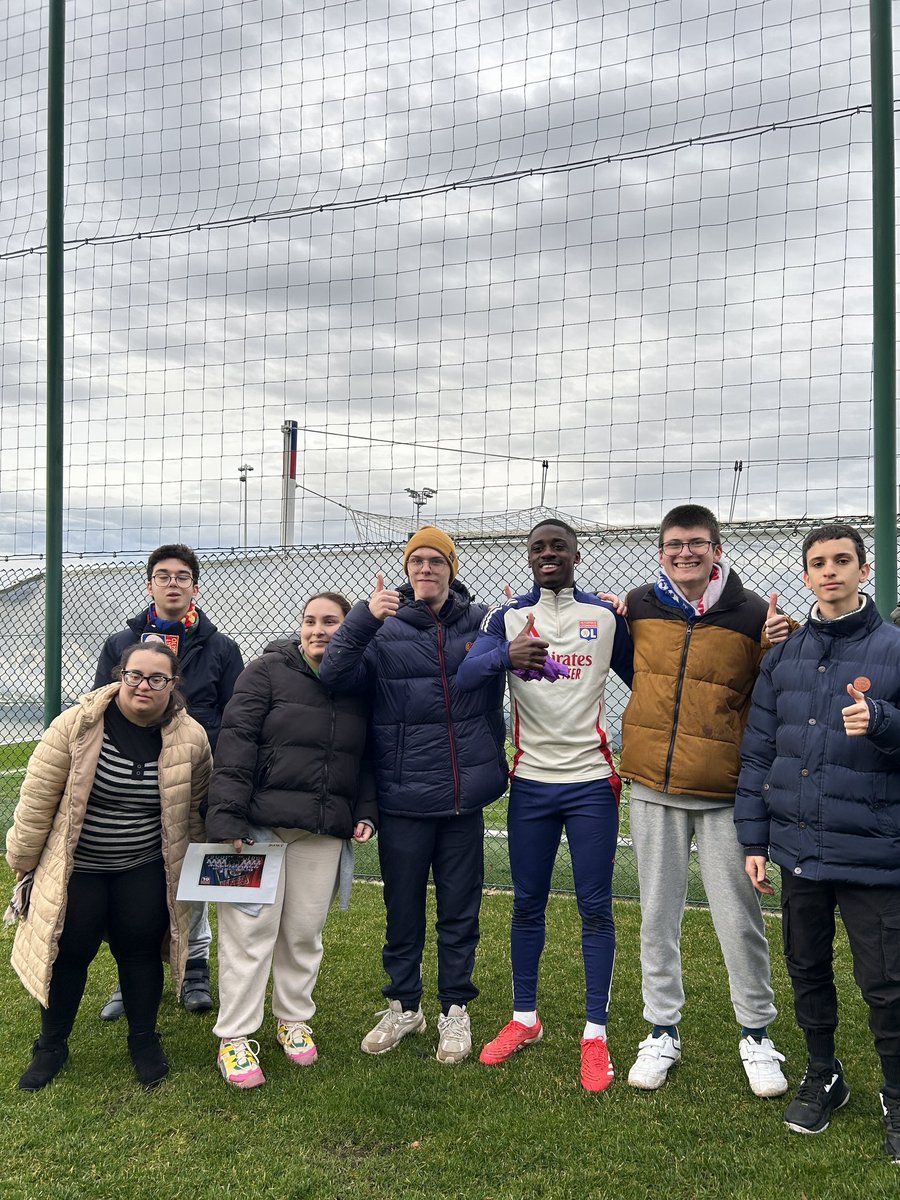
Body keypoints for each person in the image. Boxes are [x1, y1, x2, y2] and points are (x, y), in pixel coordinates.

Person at [735, 522, 900, 1161]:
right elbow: (758, 755)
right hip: (799, 848)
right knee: (806, 966)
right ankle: (824, 1072)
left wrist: (885, 723)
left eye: (841, 560)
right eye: (818, 563)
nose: (829, 572)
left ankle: (895, 1091)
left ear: (863, 570)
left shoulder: (892, 649)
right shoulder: (784, 656)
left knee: (885, 981)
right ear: (805, 576)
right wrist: (755, 838)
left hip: (873, 852)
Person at [455, 520, 633, 1092]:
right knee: (527, 903)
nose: (548, 554)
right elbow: (465, 675)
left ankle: (595, 1034)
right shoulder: (504, 619)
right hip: (530, 783)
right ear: (528, 558)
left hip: (590, 784)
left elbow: (648, 677)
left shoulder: (604, 618)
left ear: (576, 554)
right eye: (538, 548)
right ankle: (525, 1019)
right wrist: (506, 655)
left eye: (558, 545)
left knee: (594, 907)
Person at [619, 503, 789, 1098]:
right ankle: (661, 1029)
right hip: (653, 789)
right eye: (673, 544)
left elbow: (768, 691)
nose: (684, 552)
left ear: (717, 549)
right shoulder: (637, 606)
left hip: (725, 793)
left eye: (696, 543)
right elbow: (631, 671)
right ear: (660, 551)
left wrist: (774, 643)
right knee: (656, 916)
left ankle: (757, 1034)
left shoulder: (755, 614)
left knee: (738, 920)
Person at [320, 527, 507, 1064]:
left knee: (459, 911)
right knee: (401, 911)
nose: (425, 569)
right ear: (405, 569)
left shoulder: (482, 622)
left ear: (451, 568)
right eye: (416, 561)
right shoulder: (382, 625)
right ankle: (405, 1006)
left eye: (435, 561)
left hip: (460, 797)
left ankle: (454, 1009)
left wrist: (610, 607)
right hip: (403, 796)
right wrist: (360, 617)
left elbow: (537, 633)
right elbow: (334, 674)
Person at [6, 643, 211, 1090]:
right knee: (70, 953)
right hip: (79, 865)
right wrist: (23, 861)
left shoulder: (191, 736)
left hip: (142, 863)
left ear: (173, 685)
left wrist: (199, 868)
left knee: (139, 951)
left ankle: (143, 1040)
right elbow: (38, 798)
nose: (143, 685)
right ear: (120, 674)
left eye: (157, 678)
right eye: (134, 675)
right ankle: (52, 1045)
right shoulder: (76, 725)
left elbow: (195, 810)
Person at [204, 593, 378, 1088]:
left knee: (303, 932)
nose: (318, 630)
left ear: (350, 630)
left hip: (321, 832)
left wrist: (364, 810)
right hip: (257, 830)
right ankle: (235, 1038)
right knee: (249, 935)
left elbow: (367, 758)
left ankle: (293, 1020)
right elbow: (235, 743)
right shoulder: (264, 672)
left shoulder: (359, 685)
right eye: (310, 621)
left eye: (331, 622)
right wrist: (227, 818)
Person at [94, 542, 243, 1018]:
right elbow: (100, 708)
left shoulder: (221, 647)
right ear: (150, 584)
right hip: (132, 782)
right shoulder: (120, 645)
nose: (173, 583)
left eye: (182, 576)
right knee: (133, 879)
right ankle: (131, 973)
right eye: (163, 575)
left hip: (193, 779)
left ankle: (195, 965)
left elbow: (237, 719)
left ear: (195, 587)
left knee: (191, 874)